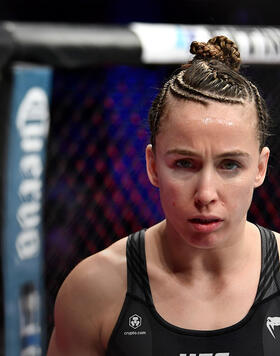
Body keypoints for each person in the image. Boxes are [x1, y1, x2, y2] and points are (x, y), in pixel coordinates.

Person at [47, 35, 280, 356]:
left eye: (229, 164)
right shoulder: (94, 289)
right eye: (185, 164)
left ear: (260, 168)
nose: (205, 194)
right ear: (153, 166)